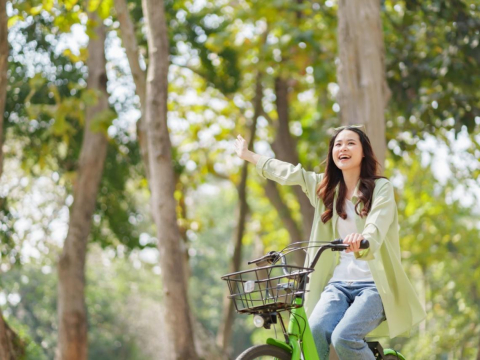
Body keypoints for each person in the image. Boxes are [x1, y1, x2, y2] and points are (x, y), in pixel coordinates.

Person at [234, 126, 426, 360]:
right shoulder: (325, 189)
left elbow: (377, 222)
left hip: (374, 286)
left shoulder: (380, 188)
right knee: (314, 330)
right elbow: (288, 172)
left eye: (350, 143)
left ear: (364, 151)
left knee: (343, 337)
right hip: (338, 284)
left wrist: (364, 239)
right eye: (338, 144)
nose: (343, 148)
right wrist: (249, 155)